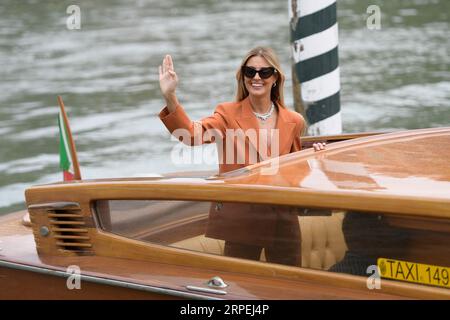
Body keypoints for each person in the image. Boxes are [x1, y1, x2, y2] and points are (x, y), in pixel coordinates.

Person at [158, 47, 325, 266]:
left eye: (264, 72)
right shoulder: (227, 114)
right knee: (240, 290)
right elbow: (191, 135)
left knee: (289, 288)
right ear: (243, 76)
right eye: (250, 72)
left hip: (284, 221)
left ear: (275, 78)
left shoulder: (294, 120)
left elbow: (295, 172)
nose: (256, 77)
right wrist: (170, 96)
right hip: (242, 221)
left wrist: (316, 157)